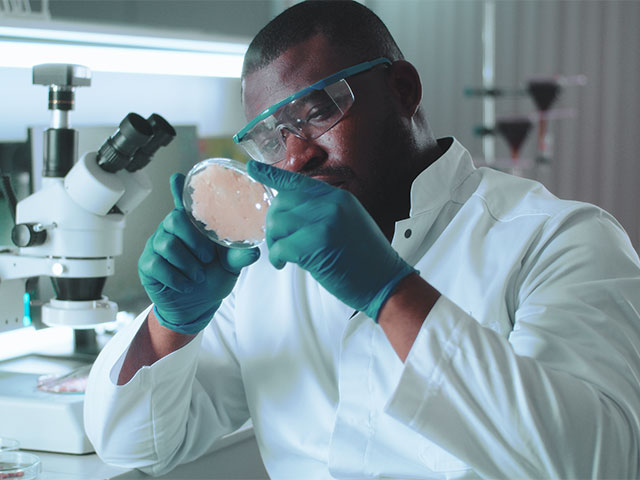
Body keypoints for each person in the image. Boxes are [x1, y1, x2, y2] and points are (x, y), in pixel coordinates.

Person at [84, 1, 640, 478]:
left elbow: (596, 461)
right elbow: (135, 446)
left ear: (403, 89)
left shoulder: (559, 240)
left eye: (317, 112)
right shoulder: (264, 267)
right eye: (271, 140)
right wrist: (171, 325)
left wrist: (390, 292)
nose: (298, 156)